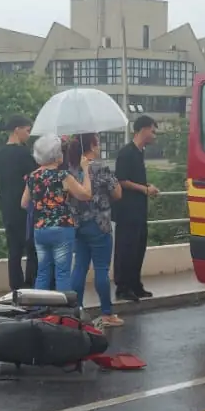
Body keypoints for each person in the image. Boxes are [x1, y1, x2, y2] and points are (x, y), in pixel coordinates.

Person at [65, 133, 123, 326]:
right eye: (97, 143)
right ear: (92, 145)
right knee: (101, 269)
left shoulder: (70, 169)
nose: (99, 146)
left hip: (78, 225)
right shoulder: (100, 167)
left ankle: (76, 310)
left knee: (79, 267)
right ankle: (106, 313)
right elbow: (117, 193)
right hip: (100, 225)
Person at [21, 133, 91, 291]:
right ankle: (61, 311)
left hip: (40, 229)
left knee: (43, 272)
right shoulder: (63, 176)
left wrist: (42, 206)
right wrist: (86, 170)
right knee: (62, 273)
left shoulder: (32, 177)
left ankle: (39, 309)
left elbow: (24, 203)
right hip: (62, 227)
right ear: (56, 154)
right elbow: (85, 194)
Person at [113, 115, 159, 301]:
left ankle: (135, 284)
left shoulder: (140, 153)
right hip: (127, 210)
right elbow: (121, 180)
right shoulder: (126, 153)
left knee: (139, 248)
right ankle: (122, 287)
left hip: (139, 209)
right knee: (126, 248)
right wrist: (145, 189)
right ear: (143, 130)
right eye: (153, 130)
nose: (154, 134)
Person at [0, 114, 39, 290]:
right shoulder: (23, 153)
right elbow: (35, 175)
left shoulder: (0, 154)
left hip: (6, 205)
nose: (28, 135)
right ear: (17, 130)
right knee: (32, 248)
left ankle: (16, 287)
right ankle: (31, 284)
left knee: (14, 250)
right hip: (24, 205)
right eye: (27, 131)